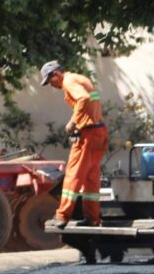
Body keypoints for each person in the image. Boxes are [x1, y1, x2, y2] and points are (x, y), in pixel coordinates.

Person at [40, 61, 108, 227]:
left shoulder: (69, 81)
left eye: (50, 81)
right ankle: (92, 218)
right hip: (99, 131)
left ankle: (62, 216)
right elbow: (91, 102)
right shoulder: (80, 79)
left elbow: (83, 99)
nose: (52, 86)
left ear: (56, 74)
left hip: (88, 134)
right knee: (91, 177)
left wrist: (73, 122)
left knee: (73, 174)